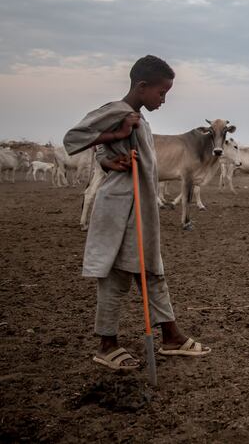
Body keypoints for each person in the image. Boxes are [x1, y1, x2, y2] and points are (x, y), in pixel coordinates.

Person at [63, 55, 210, 371]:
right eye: (161, 92)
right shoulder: (117, 111)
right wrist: (115, 136)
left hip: (141, 207)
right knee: (117, 275)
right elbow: (73, 139)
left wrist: (107, 158)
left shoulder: (135, 117)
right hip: (120, 208)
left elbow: (104, 154)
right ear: (142, 86)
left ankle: (171, 336)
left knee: (152, 270)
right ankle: (107, 344)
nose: (164, 99)